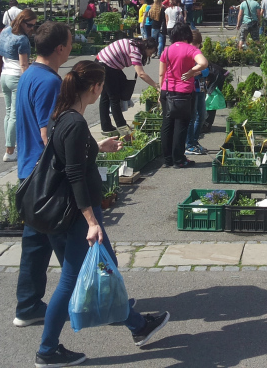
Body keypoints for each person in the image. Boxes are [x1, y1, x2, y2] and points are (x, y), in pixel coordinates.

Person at [35, 61, 169, 366]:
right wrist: (92, 221)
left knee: (107, 267)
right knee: (71, 280)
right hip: (77, 215)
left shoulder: (62, 116)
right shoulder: (75, 122)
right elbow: (74, 174)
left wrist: (97, 146)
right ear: (95, 88)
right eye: (101, 87)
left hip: (66, 211)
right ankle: (47, 350)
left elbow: (69, 154)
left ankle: (136, 324)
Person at [13, 21, 71, 331]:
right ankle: (101, 301)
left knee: (35, 248)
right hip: (46, 177)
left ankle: (28, 306)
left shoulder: (30, 75)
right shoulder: (49, 82)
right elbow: (50, 134)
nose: (72, 46)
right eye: (70, 42)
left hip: (29, 173)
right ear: (60, 48)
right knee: (74, 247)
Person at [159, 22, 207, 168]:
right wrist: (193, 71)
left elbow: (162, 73)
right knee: (181, 125)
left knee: (167, 124)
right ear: (187, 34)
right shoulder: (191, 49)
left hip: (166, 90)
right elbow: (203, 63)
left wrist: (160, 91)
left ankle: (167, 159)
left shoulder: (166, 50)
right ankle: (179, 159)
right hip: (184, 92)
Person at [95, 37, 159, 135]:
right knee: (114, 98)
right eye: (151, 52)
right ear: (146, 47)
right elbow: (141, 74)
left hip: (104, 63)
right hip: (106, 65)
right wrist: (156, 86)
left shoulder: (135, 43)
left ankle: (106, 126)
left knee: (106, 96)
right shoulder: (136, 51)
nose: (151, 55)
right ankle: (123, 129)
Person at [0, 9, 37, 162]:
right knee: (14, 114)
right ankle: (9, 150)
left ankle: (9, 147)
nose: (31, 28)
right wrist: (29, 82)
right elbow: (23, 65)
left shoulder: (5, 31)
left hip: (4, 74)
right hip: (16, 77)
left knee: (8, 113)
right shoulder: (22, 39)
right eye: (29, 25)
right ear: (21, 21)